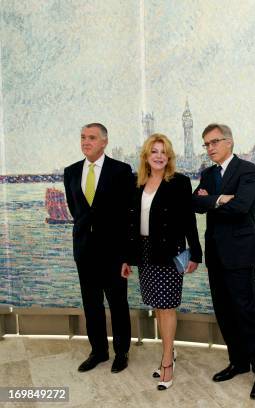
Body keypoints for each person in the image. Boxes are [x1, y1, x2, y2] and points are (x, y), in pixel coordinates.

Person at [193, 123, 255, 399]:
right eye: (206, 144)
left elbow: (241, 208)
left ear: (229, 142)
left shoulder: (248, 170)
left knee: (247, 312)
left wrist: (210, 201)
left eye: (214, 142)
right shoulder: (207, 173)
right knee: (224, 312)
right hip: (215, 253)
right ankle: (239, 362)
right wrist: (219, 199)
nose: (210, 148)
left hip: (240, 254)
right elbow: (194, 204)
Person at [121, 133, 202, 390]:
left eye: (163, 151)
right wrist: (126, 258)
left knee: (167, 308)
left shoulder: (179, 183)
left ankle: (167, 361)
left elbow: (189, 221)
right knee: (157, 305)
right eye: (153, 151)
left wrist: (196, 254)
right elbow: (130, 225)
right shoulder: (137, 183)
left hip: (169, 253)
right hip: (144, 253)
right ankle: (171, 350)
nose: (158, 156)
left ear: (169, 157)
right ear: (146, 156)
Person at [63, 123, 134, 373]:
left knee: (118, 304)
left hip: (114, 253)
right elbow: (77, 211)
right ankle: (99, 352)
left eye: (92, 138)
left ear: (104, 142)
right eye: (83, 137)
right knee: (91, 304)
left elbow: (128, 216)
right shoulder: (70, 172)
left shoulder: (121, 170)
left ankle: (122, 352)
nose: (86, 142)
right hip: (84, 251)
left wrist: (127, 256)